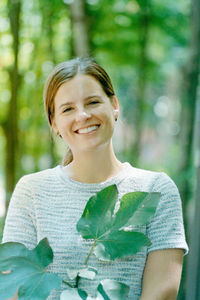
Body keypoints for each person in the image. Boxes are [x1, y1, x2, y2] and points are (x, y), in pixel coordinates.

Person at [2, 57, 188, 300]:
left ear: (114, 105)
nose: (83, 115)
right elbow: (14, 289)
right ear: (54, 123)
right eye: (68, 109)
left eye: (92, 102)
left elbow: (162, 291)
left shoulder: (156, 189)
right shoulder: (31, 190)